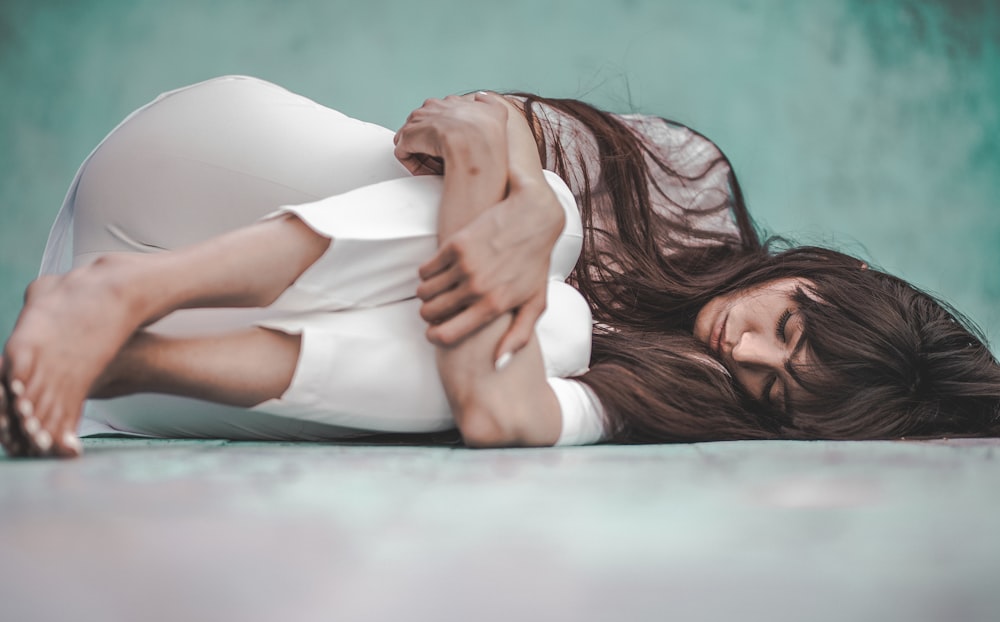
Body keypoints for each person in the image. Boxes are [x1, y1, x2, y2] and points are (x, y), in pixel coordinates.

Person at [2, 76, 998, 458]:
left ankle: (125, 357)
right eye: (785, 321)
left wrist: (497, 172)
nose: (744, 345)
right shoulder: (690, 189)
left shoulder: (677, 395)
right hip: (194, 183)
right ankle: (124, 294)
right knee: (554, 228)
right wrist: (523, 199)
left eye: (771, 389)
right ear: (819, 274)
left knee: (551, 324)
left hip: (151, 384)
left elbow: (497, 411)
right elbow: (447, 121)